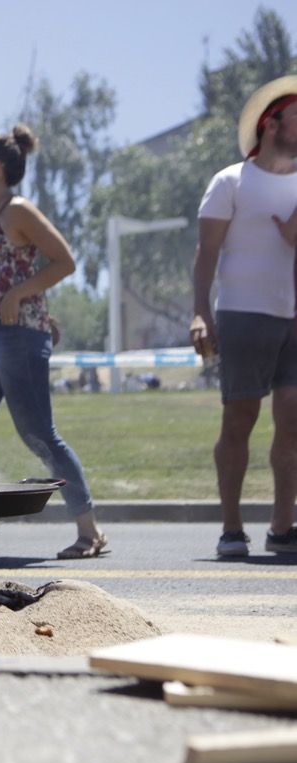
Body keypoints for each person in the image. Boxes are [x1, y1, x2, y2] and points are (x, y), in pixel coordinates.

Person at [0, 124, 106, 560]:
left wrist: (20, 294)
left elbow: (64, 260)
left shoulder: (18, 210)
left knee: (37, 433)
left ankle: (91, 532)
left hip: (21, 337)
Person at [189, 75, 297, 559]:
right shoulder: (231, 180)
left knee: (292, 422)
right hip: (242, 314)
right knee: (240, 419)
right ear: (271, 123)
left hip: (294, 317)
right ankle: (232, 529)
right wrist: (199, 314)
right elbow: (206, 254)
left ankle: (281, 527)